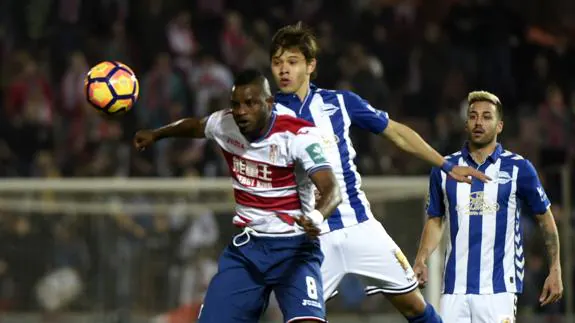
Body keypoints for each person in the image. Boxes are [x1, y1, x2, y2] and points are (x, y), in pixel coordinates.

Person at [269, 23, 489, 323]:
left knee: (415, 307)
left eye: (292, 62)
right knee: (292, 318)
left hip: (361, 228)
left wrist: (446, 165)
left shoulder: (340, 103)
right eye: (277, 62)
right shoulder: (266, 115)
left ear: (310, 65)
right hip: (311, 241)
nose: (283, 70)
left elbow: (396, 133)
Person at [133, 69, 342, 323]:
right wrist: (156, 134)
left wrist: (317, 217)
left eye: (250, 103)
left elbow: (332, 189)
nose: (241, 111)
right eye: (236, 104)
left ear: (269, 103)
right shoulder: (225, 123)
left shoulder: (299, 135)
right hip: (249, 250)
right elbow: (196, 126)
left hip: (295, 251)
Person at [414, 91, 563, 322]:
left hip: (499, 290)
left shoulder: (519, 168)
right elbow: (435, 219)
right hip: (454, 289)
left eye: (486, 117)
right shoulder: (445, 168)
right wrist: (421, 258)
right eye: (473, 116)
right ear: (466, 124)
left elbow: (545, 218)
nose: (479, 122)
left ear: (499, 125)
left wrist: (555, 268)